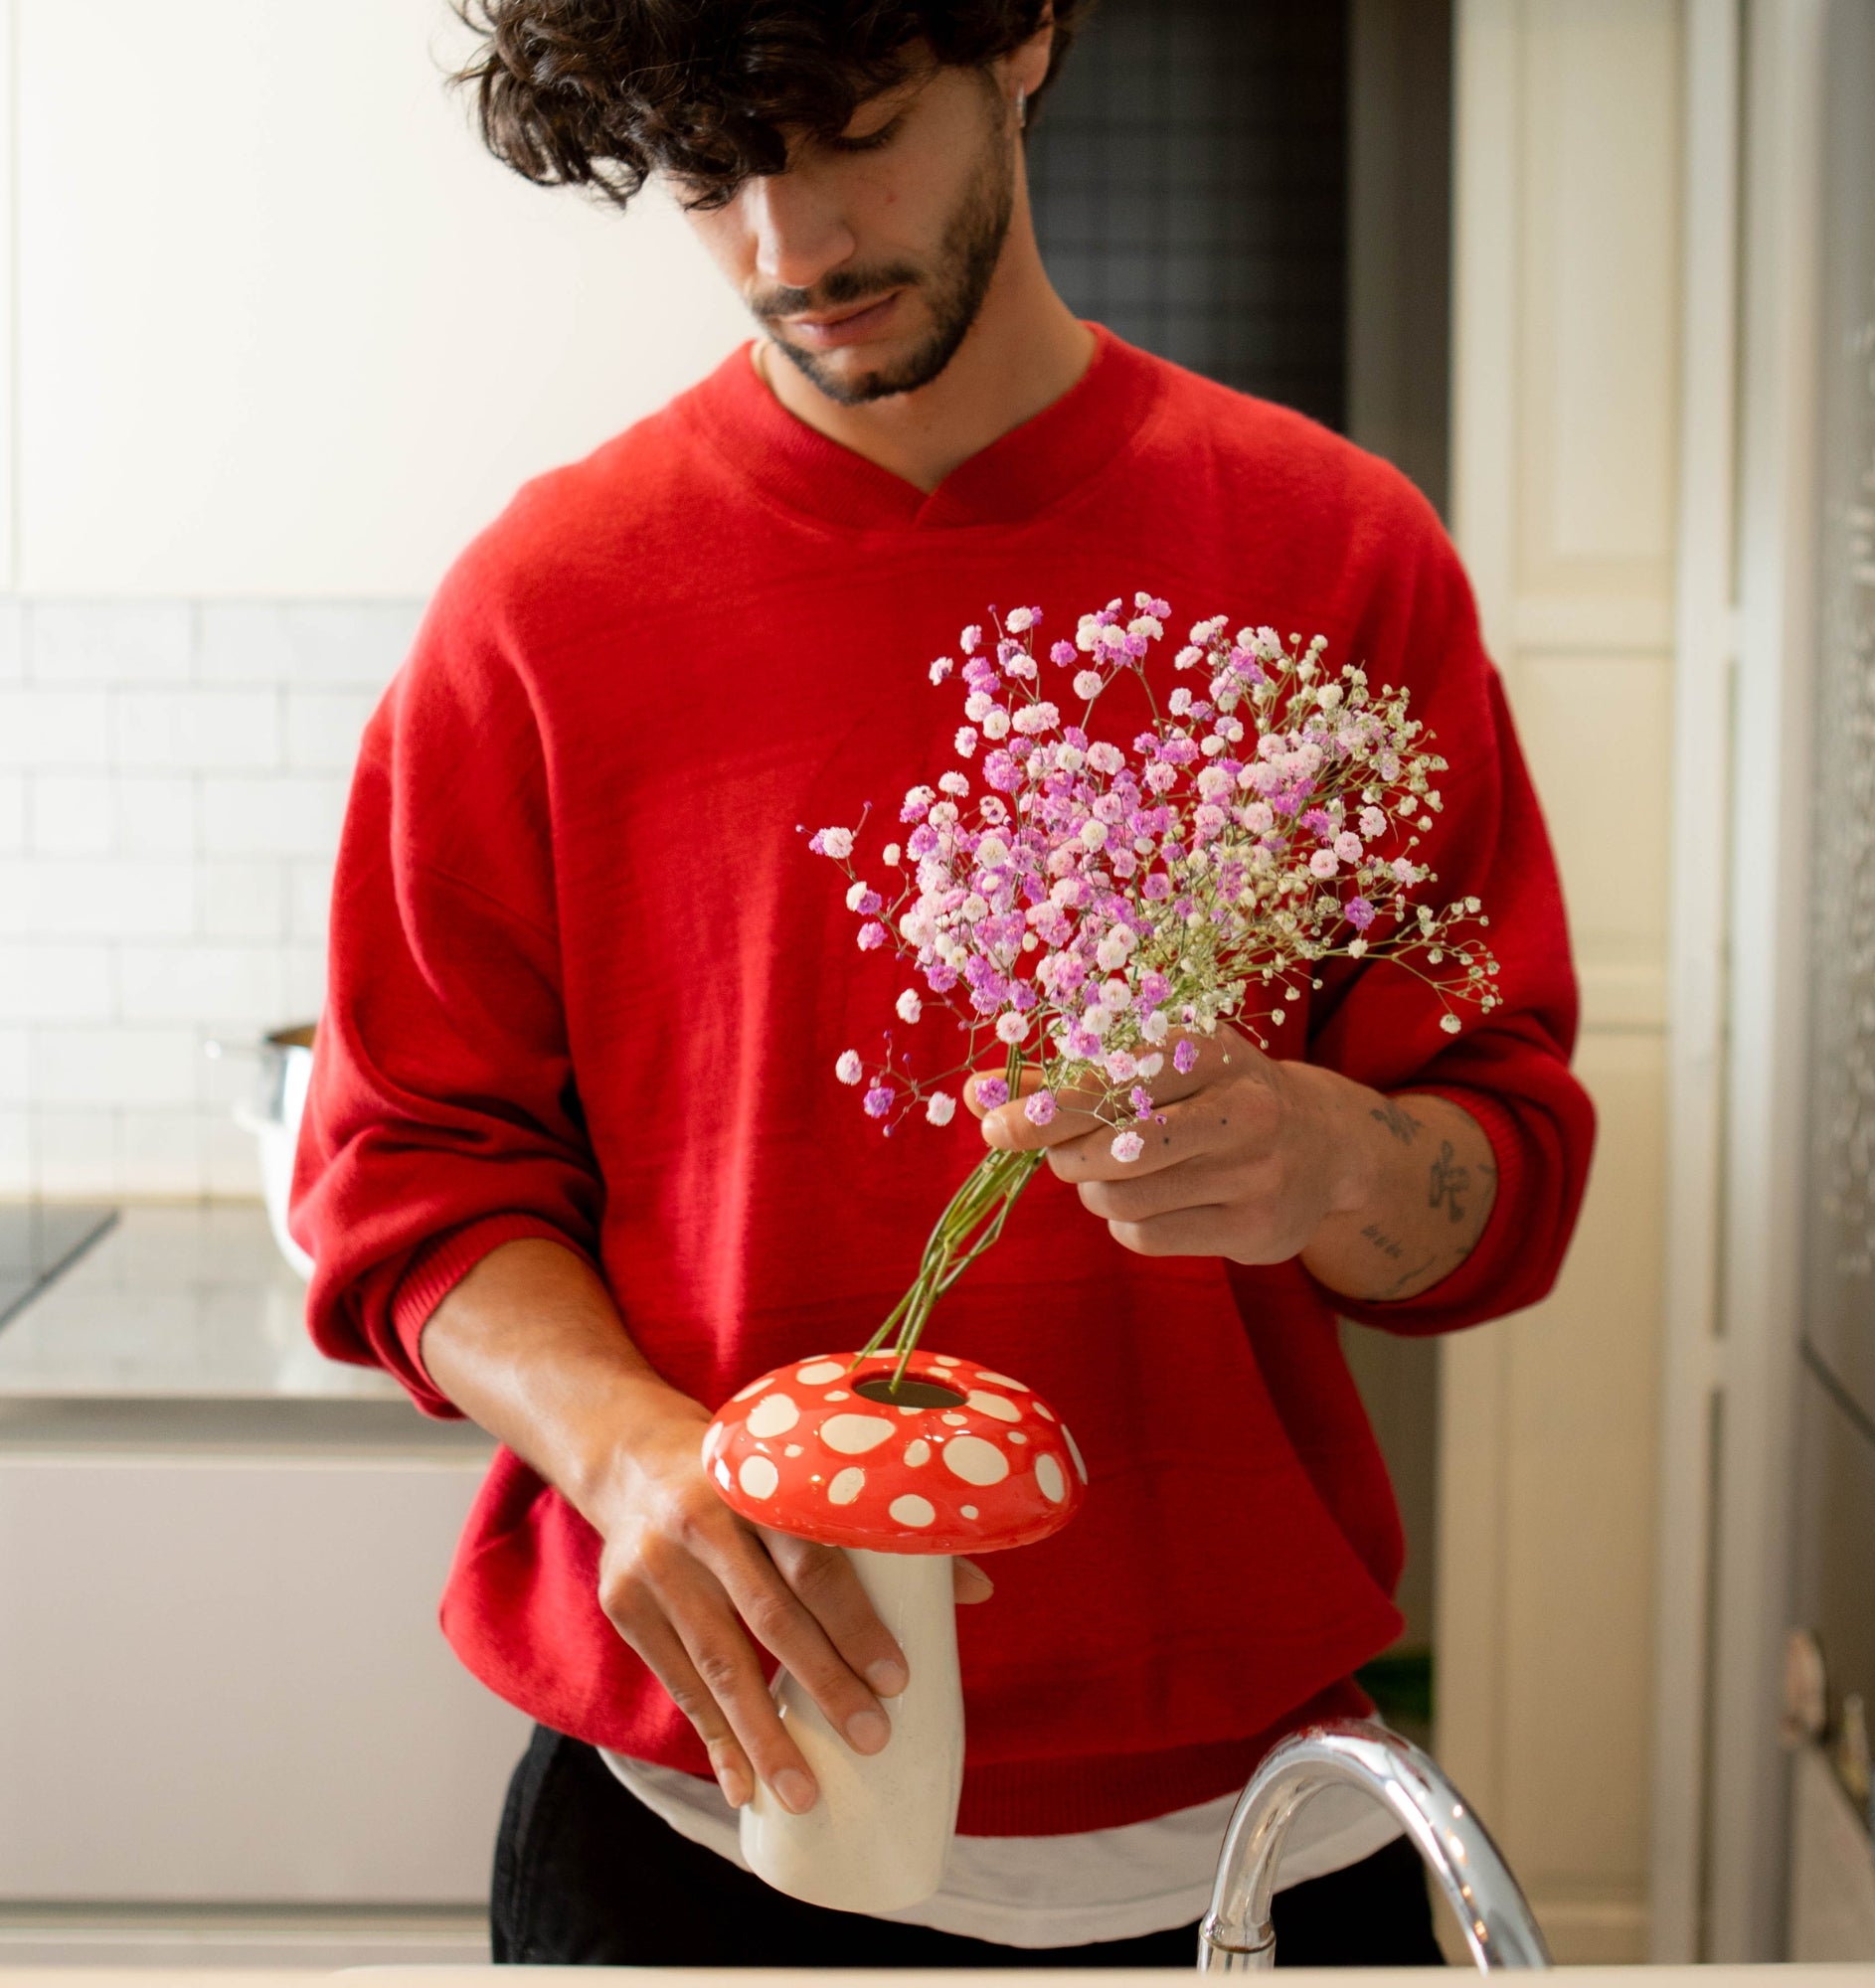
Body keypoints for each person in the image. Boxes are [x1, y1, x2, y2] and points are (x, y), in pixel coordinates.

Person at [291, 0, 1595, 1967]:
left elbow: (1503, 1177)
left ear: (1025, 37)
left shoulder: (1335, 556)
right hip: (691, 1833)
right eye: (713, 177)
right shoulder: (539, 613)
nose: (787, 244)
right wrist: (638, 1451)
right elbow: (408, 1185)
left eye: (852, 130)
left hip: (1235, 1843)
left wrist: (1334, 1161)